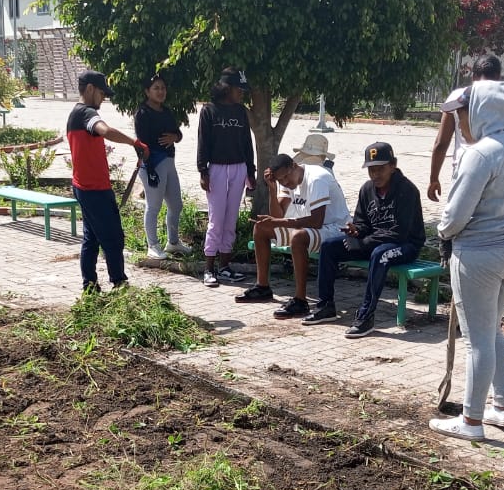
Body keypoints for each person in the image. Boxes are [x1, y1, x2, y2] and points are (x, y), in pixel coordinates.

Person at [429, 80, 504, 442]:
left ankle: (471, 421)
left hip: (481, 256)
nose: (459, 124)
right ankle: (502, 408)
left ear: (481, 111)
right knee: (491, 328)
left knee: (477, 340)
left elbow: (456, 215)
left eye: (461, 114)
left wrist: (443, 233)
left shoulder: (480, 154)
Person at [304, 141, 425, 337]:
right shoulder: (367, 189)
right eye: (371, 170)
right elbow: (362, 222)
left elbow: (399, 233)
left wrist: (363, 242)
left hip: (405, 245)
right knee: (328, 246)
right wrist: (355, 231)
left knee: (380, 254)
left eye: (380, 169)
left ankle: (366, 315)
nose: (375, 175)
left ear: (393, 165)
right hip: (373, 242)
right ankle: (325, 305)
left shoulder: (407, 190)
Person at [235, 149, 351, 320]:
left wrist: (279, 222)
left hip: (336, 228)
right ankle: (262, 287)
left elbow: (316, 221)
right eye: (280, 180)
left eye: (286, 178)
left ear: (294, 166)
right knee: (261, 228)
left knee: (298, 237)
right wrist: (272, 189)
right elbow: (278, 215)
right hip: (309, 225)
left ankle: (300, 301)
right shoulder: (285, 179)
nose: (285, 182)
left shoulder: (317, 178)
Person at [66, 70, 148, 293]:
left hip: (84, 186)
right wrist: (134, 143)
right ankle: (119, 283)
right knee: (113, 238)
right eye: (102, 93)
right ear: (90, 89)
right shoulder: (86, 113)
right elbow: (105, 130)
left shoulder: (75, 114)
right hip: (93, 190)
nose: (103, 98)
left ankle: (90, 286)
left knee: (91, 238)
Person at [197, 68, 256, 287]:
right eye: (239, 89)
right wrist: (203, 171)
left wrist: (250, 171)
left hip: (238, 168)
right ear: (226, 88)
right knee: (216, 220)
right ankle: (208, 269)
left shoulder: (240, 111)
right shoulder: (209, 110)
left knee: (231, 220)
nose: (241, 93)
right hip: (217, 169)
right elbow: (203, 142)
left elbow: (247, 142)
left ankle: (224, 267)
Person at [427, 54, 502, 202]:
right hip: (496, 171)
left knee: (459, 211)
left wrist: (434, 178)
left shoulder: (457, 97)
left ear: (473, 76)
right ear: (498, 77)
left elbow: (441, 143)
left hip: (464, 169)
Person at [133, 73, 190, 260]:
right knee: (154, 206)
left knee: (176, 205)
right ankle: (153, 246)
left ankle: (173, 243)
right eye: (156, 88)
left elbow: (178, 133)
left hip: (169, 162)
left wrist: (175, 137)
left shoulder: (166, 112)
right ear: (147, 91)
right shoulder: (142, 114)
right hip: (152, 165)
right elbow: (142, 143)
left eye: (163, 88)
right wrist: (149, 166)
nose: (160, 91)